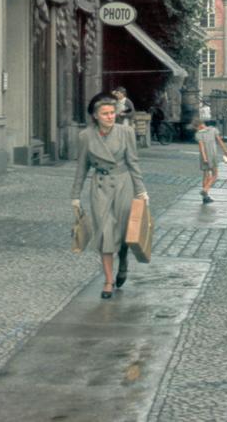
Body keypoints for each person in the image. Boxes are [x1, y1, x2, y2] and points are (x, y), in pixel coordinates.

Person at [72, 92, 149, 299]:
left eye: (112, 113)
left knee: (124, 233)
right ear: (95, 116)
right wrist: (76, 196)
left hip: (124, 185)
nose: (109, 117)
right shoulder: (85, 136)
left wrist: (141, 190)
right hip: (100, 188)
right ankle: (108, 280)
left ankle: (123, 260)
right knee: (105, 233)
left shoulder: (126, 133)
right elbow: (82, 168)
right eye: (105, 114)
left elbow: (133, 163)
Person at [195, 117, 227, 204]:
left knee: (206, 175)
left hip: (204, 157)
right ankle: (205, 189)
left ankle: (205, 197)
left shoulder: (198, 134)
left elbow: (201, 147)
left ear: (198, 126)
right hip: (213, 156)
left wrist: (204, 158)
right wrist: (225, 150)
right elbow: (220, 141)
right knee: (215, 174)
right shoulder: (213, 130)